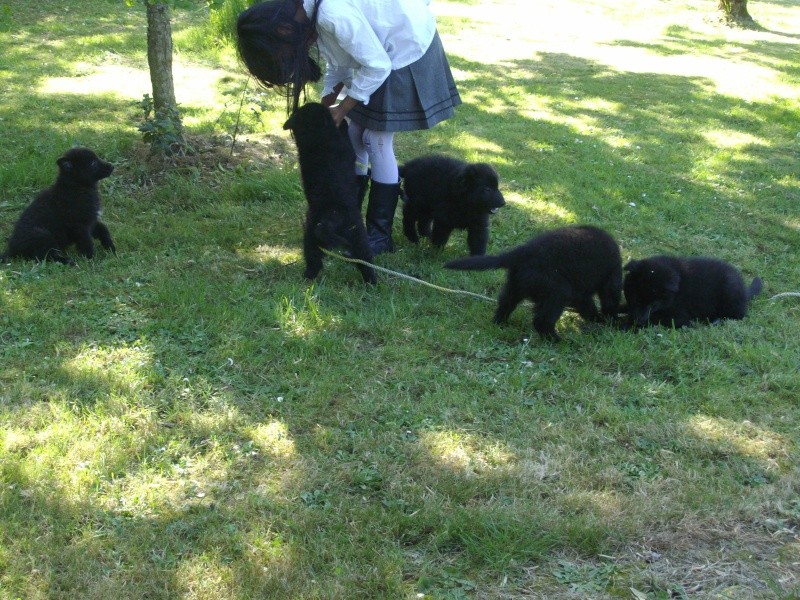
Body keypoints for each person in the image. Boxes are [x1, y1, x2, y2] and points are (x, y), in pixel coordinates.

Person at [236, 0, 461, 254]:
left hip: (403, 50)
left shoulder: (329, 13)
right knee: (355, 133)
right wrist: (328, 100)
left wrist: (342, 109)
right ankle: (345, 222)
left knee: (376, 139)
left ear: (283, 31)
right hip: (381, 55)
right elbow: (341, 60)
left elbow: (377, 66)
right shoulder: (308, 15)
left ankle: (379, 236)